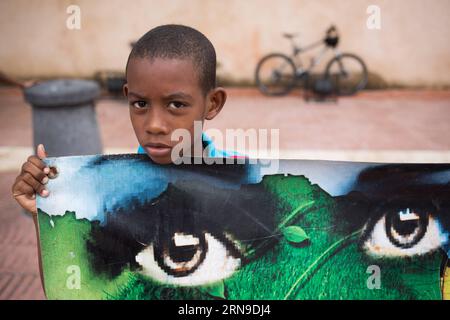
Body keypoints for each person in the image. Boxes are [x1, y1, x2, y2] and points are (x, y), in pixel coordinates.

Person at [11, 24, 241, 214]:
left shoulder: (248, 182)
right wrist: (43, 218)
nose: (154, 125)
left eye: (176, 105)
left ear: (213, 103)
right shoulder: (102, 190)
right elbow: (71, 271)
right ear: (127, 97)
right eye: (140, 104)